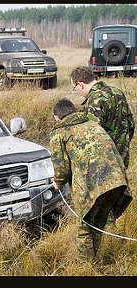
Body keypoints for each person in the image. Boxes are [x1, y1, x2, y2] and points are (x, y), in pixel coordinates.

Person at [49, 98, 132, 261]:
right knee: (98, 224)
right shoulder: (93, 124)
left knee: (84, 228)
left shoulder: (59, 133)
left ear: (56, 117)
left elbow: (62, 169)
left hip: (94, 187)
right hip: (117, 182)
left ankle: (86, 268)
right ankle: (96, 260)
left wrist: (57, 183)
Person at [70, 66, 135, 170]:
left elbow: (91, 134)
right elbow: (130, 124)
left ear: (80, 84)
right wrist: (123, 144)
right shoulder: (117, 92)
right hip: (122, 154)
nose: (76, 91)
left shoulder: (95, 99)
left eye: (75, 88)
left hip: (104, 160)